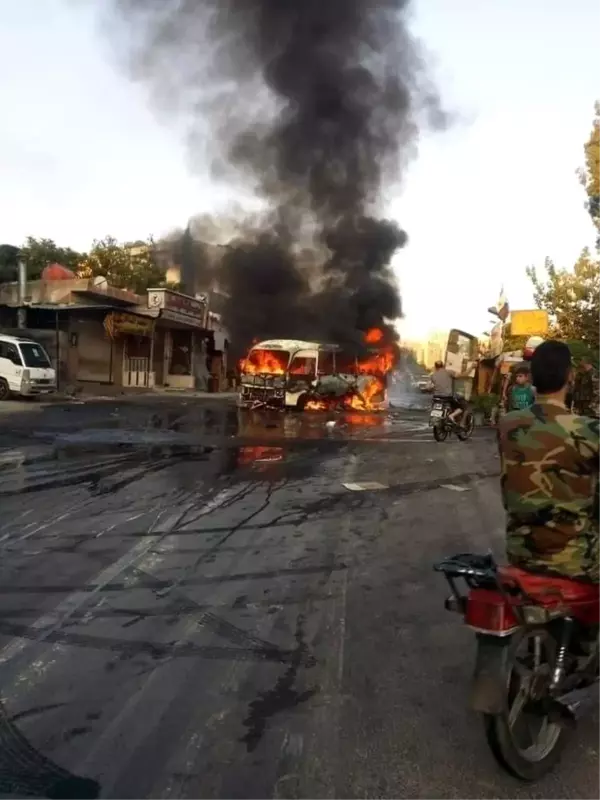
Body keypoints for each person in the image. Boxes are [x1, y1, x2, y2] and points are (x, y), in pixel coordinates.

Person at [498, 340, 600, 582]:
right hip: (579, 562)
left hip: (521, 554)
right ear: (570, 376)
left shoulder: (507, 424)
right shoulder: (588, 430)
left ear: (532, 377)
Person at [430, 360, 466, 426]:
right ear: (443, 366)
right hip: (447, 397)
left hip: (436, 397)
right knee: (462, 406)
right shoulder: (449, 372)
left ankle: (442, 417)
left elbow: (430, 386)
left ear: (435, 367)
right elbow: (460, 375)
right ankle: (452, 415)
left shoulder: (433, 375)